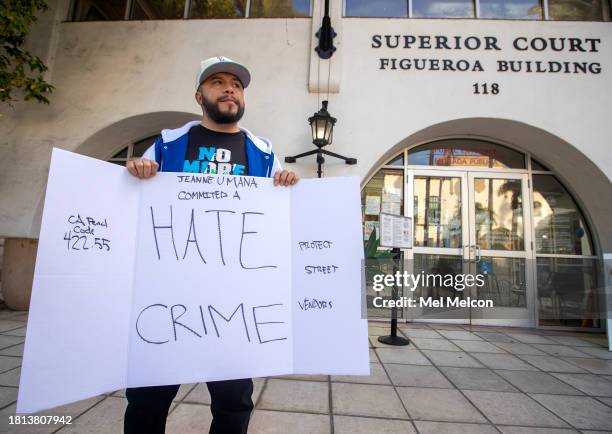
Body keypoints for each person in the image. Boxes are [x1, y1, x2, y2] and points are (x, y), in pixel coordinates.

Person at [124, 56, 299, 434]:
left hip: (233, 305)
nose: (229, 89)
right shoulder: (167, 145)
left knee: (234, 403)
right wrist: (136, 174)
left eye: (236, 84)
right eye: (217, 82)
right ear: (199, 95)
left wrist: (286, 185)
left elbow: (277, 222)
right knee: (146, 400)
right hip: (167, 297)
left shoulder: (264, 152)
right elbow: (133, 208)